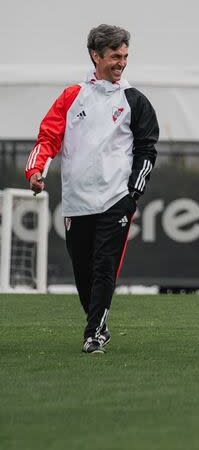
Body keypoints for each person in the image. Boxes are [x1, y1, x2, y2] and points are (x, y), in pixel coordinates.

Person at [26, 24, 159, 354]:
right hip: (76, 202)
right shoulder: (72, 96)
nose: (122, 62)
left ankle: (94, 334)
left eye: (125, 56)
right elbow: (48, 138)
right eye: (115, 56)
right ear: (95, 56)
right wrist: (36, 170)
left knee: (103, 267)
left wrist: (133, 193)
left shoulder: (135, 100)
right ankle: (98, 321)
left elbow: (147, 149)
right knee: (83, 273)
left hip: (115, 199)